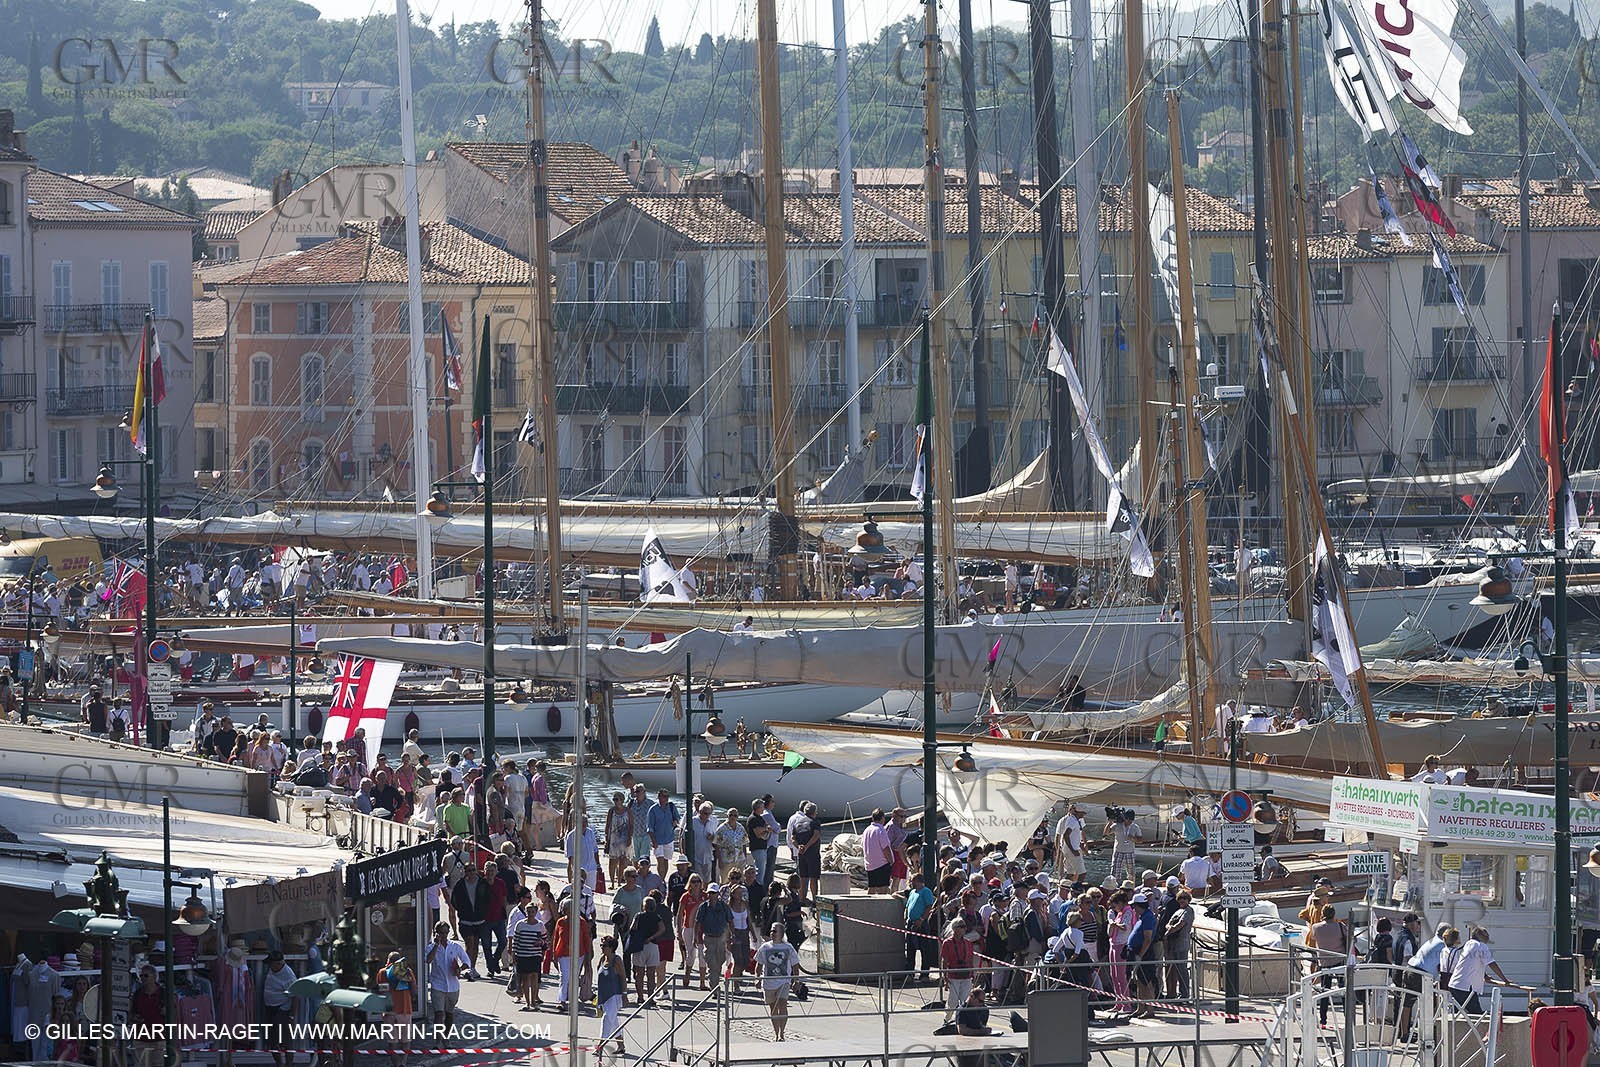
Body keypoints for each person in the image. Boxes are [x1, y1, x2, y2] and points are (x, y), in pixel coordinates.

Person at [1448, 926, 1517, 1012]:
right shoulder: (1481, 946)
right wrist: (1505, 979)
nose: (1488, 937)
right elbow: (1492, 964)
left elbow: (1472, 963)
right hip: (1465, 987)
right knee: (1476, 1014)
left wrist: (1485, 976)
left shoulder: (1468, 944)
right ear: (1479, 935)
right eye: (1486, 935)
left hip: (1455, 985)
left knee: (1456, 1014)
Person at [757, 921, 803, 1041]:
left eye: (775, 931)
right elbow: (759, 965)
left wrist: (796, 981)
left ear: (782, 934)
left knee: (782, 1004)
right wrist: (757, 978)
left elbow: (795, 965)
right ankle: (776, 1033)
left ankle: (781, 1033)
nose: (772, 933)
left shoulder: (788, 947)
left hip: (784, 982)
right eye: (771, 931)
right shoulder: (765, 947)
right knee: (773, 1009)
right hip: (768, 983)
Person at [425, 922, 475, 1026]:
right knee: (438, 1014)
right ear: (436, 933)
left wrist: (460, 969)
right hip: (437, 985)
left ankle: (446, 1034)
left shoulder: (455, 946)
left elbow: (467, 962)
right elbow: (428, 960)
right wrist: (436, 945)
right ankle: (438, 1035)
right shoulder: (431, 947)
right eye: (441, 933)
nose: (443, 935)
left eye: (446, 933)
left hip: (453, 986)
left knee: (449, 1014)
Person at [1307, 904, 1349, 1025]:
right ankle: (1347, 1016)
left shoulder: (1315, 927)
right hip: (1339, 960)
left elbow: (1313, 938)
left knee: (1324, 990)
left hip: (1324, 962)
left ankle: (1323, 1019)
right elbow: (1350, 939)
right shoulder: (1340, 926)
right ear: (1334, 914)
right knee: (1343, 989)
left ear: (1322, 914)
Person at [695, 882, 734, 990]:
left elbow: (730, 921)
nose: (712, 895)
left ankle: (714, 982)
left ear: (718, 894)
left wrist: (732, 935)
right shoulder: (703, 907)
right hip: (709, 938)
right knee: (711, 963)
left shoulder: (724, 906)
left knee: (719, 961)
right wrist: (695, 937)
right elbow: (697, 922)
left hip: (721, 938)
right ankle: (714, 987)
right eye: (710, 893)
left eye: (714, 893)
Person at [261, 951, 296, 1067]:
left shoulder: (289, 976)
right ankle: (279, 1064)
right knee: (272, 1040)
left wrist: (292, 1015)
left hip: (282, 1010)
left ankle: (289, 1064)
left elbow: (295, 997)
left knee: (286, 1041)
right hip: (270, 1008)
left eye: (272, 964)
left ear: (279, 964)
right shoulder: (273, 970)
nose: (270, 967)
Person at [941, 916, 978, 1023]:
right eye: (961, 926)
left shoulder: (968, 943)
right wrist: (945, 977)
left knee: (964, 1000)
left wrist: (973, 973)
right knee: (953, 1000)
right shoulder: (947, 943)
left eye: (964, 926)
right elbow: (944, 961)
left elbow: (970, 959)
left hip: (966, 975)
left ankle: (961, 1020)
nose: (964, 928)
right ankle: (947, 1019)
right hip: (954, 976)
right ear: (955, 929)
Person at [596, 936, 628, 1056]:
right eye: (601, 945)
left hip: (615, 996)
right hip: (604, 996)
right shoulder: (601, 959)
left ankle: (600, 1046)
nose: (602, 947)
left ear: (611, 947)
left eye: (604, 946)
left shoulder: (616, 960)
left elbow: (623, 978)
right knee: (613, 1021)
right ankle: (621, 1045)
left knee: (607, 1019)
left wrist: (624, 995)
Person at [903, 873, 937, 981]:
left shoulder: (926, 891)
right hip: (911, 923)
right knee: (910, 949)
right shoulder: (912, 892)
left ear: (918, 881)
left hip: (921, 924)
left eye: (913, 880)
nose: (911, 883)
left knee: (924, 949)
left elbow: (929, 906)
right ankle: (910, 973)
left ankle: (924, 974)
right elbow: (908, 906)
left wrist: (921, 919)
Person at [1162, 889, 1194, 1002]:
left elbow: (1181, 924)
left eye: (1184, 898)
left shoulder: (1188, 911)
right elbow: (1168, 924)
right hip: (1173, 944)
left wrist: (1168, 933)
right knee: (1176, 969)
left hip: (1182, 944)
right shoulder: (1178, 911)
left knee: (1182, 969)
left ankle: (1185, 995)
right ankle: (1180, 993)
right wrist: (1169, 928)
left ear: (1188, 900)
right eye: (1180, 898)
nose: (1182, 900)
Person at [791, 802, 822, 902]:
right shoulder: (815, 822)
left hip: (801, 854)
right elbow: (816, 835)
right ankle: (815, 900)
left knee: (803, 877)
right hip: (812, 854)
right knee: (813, 878)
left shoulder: (797, 823)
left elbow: (793, 838)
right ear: (814, 812)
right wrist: (807, 846)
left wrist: (798, 847)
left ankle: (801, 899)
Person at [647, 789, 679, 879]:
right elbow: (650, 827)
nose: (666, 798)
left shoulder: (671, 806)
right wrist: (653, 841)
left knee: (666, 861)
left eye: (667, 796)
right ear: (659, 797)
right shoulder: (653, 809)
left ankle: (663, 879)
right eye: (664, 796)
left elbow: (677, 818)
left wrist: (675, 821)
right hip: (658, 839)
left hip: (669, 838)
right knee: (660, 861)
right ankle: (661, 880)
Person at [1104, 810, 1142, 884]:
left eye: (1131, 820)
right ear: (1125, 818)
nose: (1129, 822)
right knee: (1115, 872)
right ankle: (1113, 886)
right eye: (1128, 819)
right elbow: (1106, 832)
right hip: (1118, 852)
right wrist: (1110, 822)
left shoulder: (1135, 827)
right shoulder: (1117, 825)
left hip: (1129, 852)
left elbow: (1140, 840)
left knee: (1131, 873)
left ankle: (1131, 886)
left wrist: (1133, 838)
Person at [862, 808, 894, 895]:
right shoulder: (880, 830)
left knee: (871, 887)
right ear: (882, 818)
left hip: (869, 864)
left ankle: (869, 903)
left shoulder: (867, 830)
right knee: (883, 889)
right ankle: (881, 904)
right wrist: (891, 861)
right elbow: (885, 847)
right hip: (881, 864)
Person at [1055, 801, 1087, 882]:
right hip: (1072, 850)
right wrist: (1073, 850)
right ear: (1079, 812)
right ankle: (1077, 887)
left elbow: (1075, 837)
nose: (1084, 815)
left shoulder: (1075, 820)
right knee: (1082, 873)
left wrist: (1082, 848)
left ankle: (1065, 885)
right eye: (1083, 813)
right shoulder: (1072, 821)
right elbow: (1066, 835)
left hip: (1069, 849)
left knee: (1070, 873)